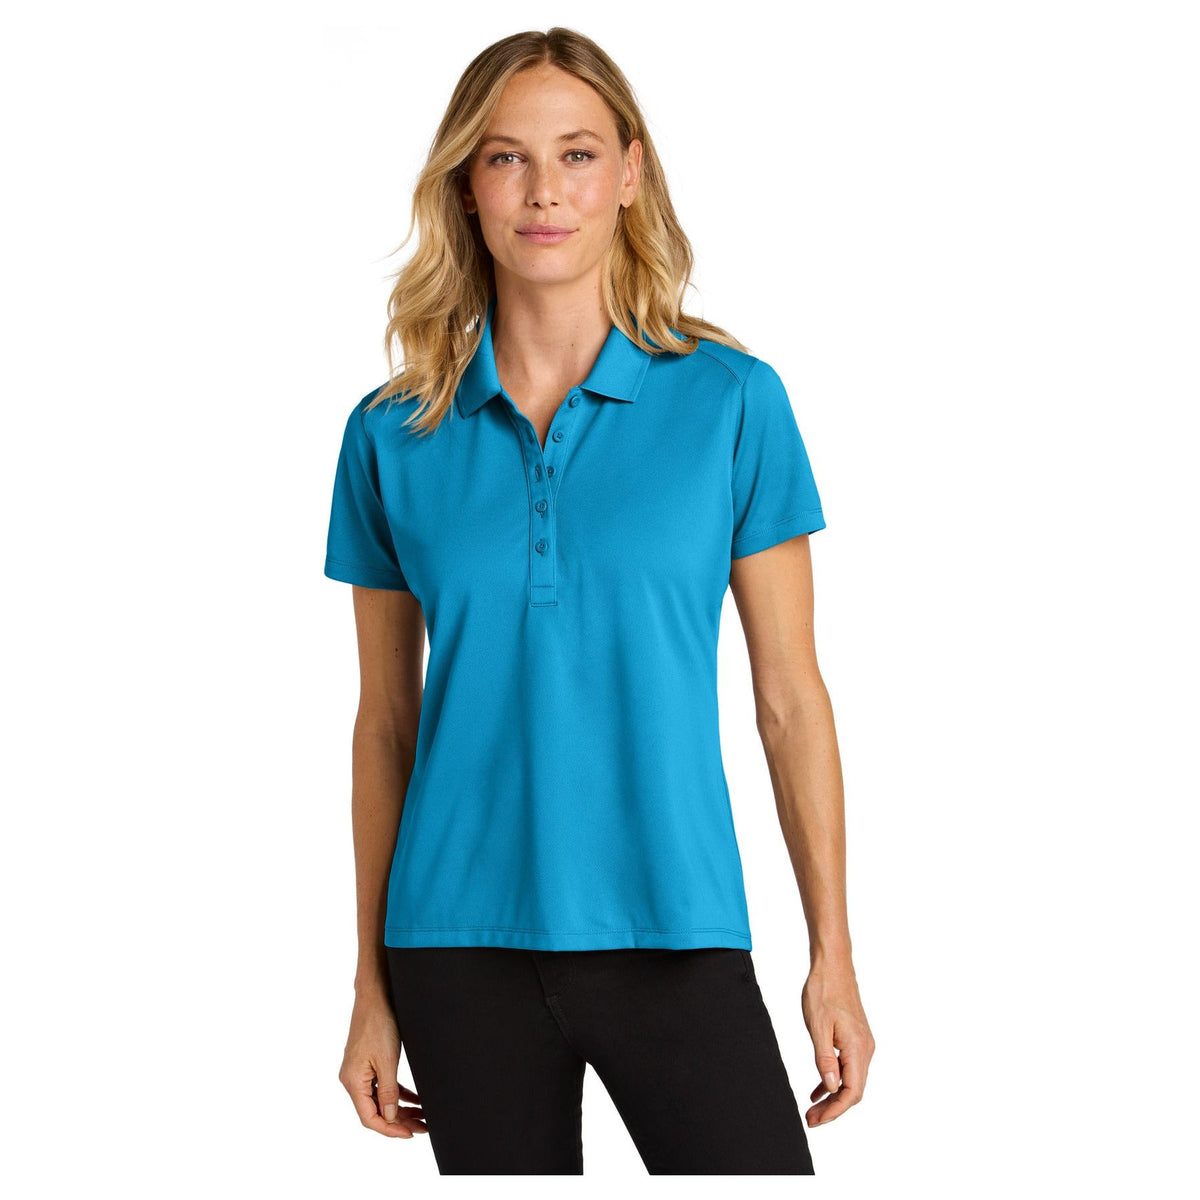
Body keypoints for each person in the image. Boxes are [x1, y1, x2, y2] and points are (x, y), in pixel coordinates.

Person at [323, 26, 874, 1175]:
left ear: (629, 173)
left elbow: (790, 701)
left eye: (576, 154)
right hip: (454, 945)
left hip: (674, 925)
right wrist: (370, 984)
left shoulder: (732, 402)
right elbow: (385, 725)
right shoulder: (392, 433)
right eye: (506, 158)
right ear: (465, 186)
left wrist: (833, 953)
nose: (544, 192)